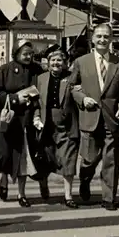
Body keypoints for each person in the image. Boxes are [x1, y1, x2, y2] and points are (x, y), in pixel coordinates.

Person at [69, 23, 119, 211]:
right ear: (92, 39)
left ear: (111, 39)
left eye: (106, 36)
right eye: (99, 36)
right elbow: (71, 87)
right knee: (89, 158)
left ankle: (109, 198)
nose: (102, 40)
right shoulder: (81, 62)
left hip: (111, 118)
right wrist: (82, 99)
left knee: (111, 159)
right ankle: (85, 179)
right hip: (89, 117)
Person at [0, 40, 45, 207]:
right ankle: (4, 180)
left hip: (26, 120)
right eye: (25, 54)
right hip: (8, 118)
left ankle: (21, 194)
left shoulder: (36, 69)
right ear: (16, 53)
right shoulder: (5, 69)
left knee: (23, 158)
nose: (28, 57)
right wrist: (14, 98)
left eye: (30, 54)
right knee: (5, 154)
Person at [34, 48, 80, 208]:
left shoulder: (71, 77)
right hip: (46, 125)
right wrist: (36, 116)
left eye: (59, 60)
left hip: (67, 126)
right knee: (45, 159)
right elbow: (36, 102)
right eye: (53, 60)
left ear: (65, 63)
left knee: (69, 161)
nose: (56, 63)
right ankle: (43, 183)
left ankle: (68, 196)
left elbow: (77, 97)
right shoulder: (41, 79)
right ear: (48, 62)